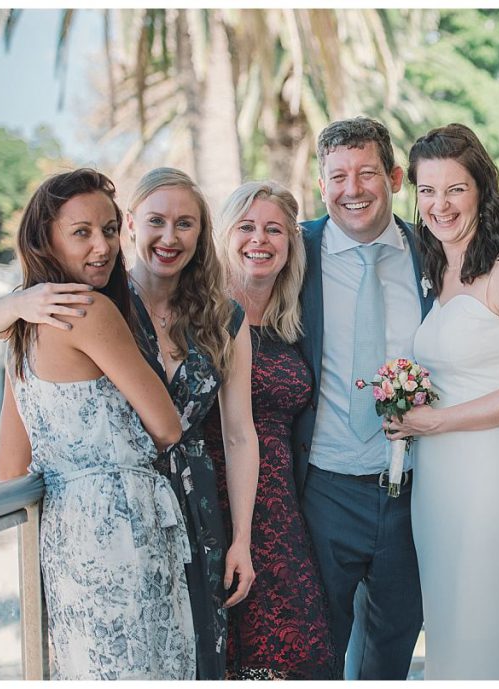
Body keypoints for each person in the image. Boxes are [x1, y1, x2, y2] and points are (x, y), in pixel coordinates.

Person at [0, 168, 260, 680]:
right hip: (126, 523)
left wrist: (10, 304)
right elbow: (167, 427)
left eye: (106, 230)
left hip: (65, 532)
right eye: (81, 232)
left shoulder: (21, 326)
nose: (101, 247)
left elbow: (9, 465)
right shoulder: (92, 310)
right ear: (47, 237)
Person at [386, 123, 499, 679]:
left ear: (481, 190)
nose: (439, 205)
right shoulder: (436, 270)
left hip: (491, 483)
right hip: (436, 484)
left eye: (455, 189)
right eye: (427, 190)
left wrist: (436, 421)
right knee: (449, 632)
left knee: (487, 633)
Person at [291, 116, 433, 680]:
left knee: (389, 655)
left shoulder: (436, 253)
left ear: (395, 177)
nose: (353, 189)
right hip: (322, 488)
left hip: (414, 492)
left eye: (367, 173)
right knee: (316, 651)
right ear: (321, 183)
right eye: (338, 176)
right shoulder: (292, 252)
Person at [125, 168, 258, 679]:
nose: (169, 236)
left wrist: (240, 539)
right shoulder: (105, 307)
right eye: (156, 221)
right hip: (126, 502)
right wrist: (11, 303)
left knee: (200, 651)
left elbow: (239, 434)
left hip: (196, 508)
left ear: (201, 235)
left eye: (185, 224)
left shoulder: (224, 318)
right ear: (132, 223)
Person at [207, 180, 340, 679]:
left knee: (302, 653)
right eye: (246, 227)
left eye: (274, 230)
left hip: (283, 512)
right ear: (224, 235)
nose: (259, 239)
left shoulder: (293, 322)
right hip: (219, 508)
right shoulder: (203, 314)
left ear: (290, 244)